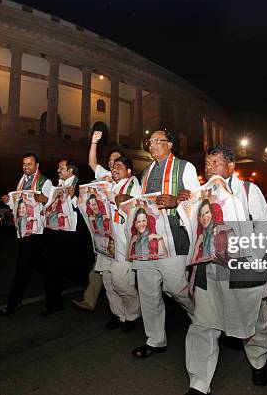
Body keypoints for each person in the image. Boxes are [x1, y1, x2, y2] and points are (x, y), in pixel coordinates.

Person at [184, 145, 267, 395]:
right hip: (208, 269)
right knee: (203, 324)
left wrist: (252, 255)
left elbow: (265, 226)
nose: (209, 168)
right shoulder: (200, 194)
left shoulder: (249, 190)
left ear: (231, 167)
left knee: (253, 321)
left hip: (242, 266)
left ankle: (259, 360)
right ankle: (199, 383)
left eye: (215, 163)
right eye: (206, 163)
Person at [126, 129, 198, 358]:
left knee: (176, 287)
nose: (153, 145)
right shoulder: (145, 172)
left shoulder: (185, 167)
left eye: (159, 141)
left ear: (170, 145)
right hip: (148, 239)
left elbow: (198, 200)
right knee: (147, 291)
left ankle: (203, 318)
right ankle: (155, 340)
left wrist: (176, 201)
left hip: (175, 237)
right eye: (151, 141)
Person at [72, 131, 125, 312]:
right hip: (102, 231)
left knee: (119, 277)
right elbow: (92, 163)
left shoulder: (125, 181)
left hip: (118, 233)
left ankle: (128, 310)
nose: (111, 163)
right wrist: (94, 142)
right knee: (100, 268)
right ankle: (96, 303)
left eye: (116, 160)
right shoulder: (104, 174)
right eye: (110, 160)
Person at [0, 153, 52, 316]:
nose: (26, 167)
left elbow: (51, 203)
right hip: (23, 230)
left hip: (36, 231)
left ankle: (13, 303)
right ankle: (56, 283)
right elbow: (18, 204)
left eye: (30, 164)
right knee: (40, 265)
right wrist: (8, 200)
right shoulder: (22, 180)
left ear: (37, 166)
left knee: (22, 267)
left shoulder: (45, 181)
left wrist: (41, 198)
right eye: (24, 164)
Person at [94, 156, 142, 331]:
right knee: (107, 280)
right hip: (106, 241)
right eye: (113, 167)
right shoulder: (108, 185)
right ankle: (119, 314)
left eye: (119, 167)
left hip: (123, 242)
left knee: (121, 282)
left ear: (129, 171)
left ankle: (133, 314)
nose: (114, 169)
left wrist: (115, 198)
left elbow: (136, 207)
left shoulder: (135, 187)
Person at [46, 159, 96, 315]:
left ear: (71, 171)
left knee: (76, 268)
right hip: (58, 232)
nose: (58, 171)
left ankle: (91, 292)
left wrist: (74, 197)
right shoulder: (59, 186)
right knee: (55, 268)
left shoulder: (81, 185)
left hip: (76, 237)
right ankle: (54, 304)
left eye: (61, 168)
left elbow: (87, 209)